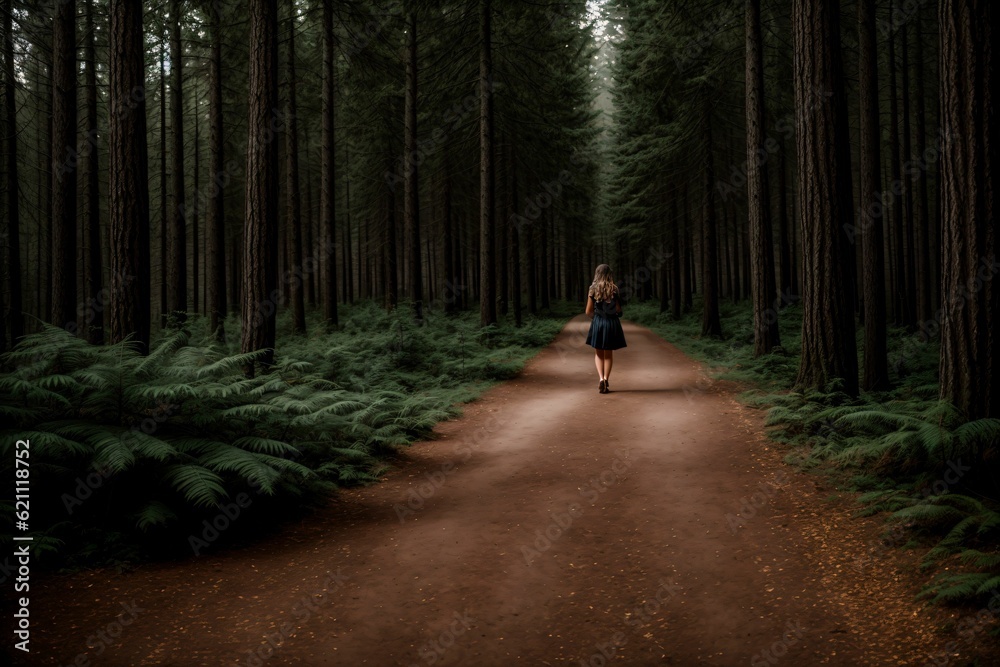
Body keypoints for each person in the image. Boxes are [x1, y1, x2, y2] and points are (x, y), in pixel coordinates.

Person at [585, 264, 627, 393]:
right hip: (612, 322)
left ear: (597, 274)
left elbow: (588, 311)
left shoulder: (593, 289)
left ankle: (600, 379)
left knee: (599, 353)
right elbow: (618, 309)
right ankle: (606, 378)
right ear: (609, 274)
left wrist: (597, 319)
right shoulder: (614, 289)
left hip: (598, 322)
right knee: (608, 353)